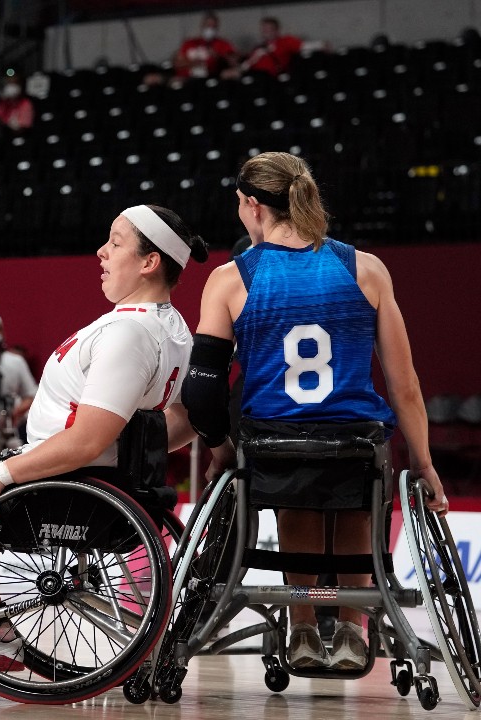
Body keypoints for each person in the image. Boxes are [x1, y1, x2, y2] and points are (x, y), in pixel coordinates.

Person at [0, 205, 209, 670]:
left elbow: (86, 440)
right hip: (95, 480)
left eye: (115, 242)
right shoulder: (173, 329)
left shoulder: (130, 330)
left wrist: (1, 475)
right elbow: (181, 421)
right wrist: (129, 453)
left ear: (150, 262)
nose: (101, 251)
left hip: (69, 488)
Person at [186, 151, 447, 673]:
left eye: (240, 206)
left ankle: (301, 626)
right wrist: (424, 464)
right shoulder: (366, 268)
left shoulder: (230, 279)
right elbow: (406, 387)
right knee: (355, 488)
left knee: (294, 494)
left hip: (272, 441)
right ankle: (353, 629)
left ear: (253, 206)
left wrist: (221, 449)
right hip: (354, 439)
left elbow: (203, 390)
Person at [148, 11, 239, 86]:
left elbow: (234, 61)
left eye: (213, 27)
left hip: (211, 78)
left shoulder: (222, 43)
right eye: (208, 26)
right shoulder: (189, 43)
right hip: (187, 78)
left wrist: (218, 56)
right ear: (202, 26)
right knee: (158, 80)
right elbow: (177, 63)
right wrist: (192, 63)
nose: (210, 29)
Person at [225, 16, 303, 79]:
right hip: (254, 75)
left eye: (268, 29)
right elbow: (248, 63)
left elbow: (304, 47)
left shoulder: (286, 41)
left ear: (276, 30)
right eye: (263, 29)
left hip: (272, 77)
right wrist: (237, 71)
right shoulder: (258, 48)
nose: (265, 32)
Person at [0, 75, 34, 142]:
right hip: (4, 134)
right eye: (9, 84)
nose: (11, 87)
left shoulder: (25, 103)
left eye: (14, 84)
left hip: (20, 135)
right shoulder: (2, 103)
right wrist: (3, 100)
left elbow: (24, 125)